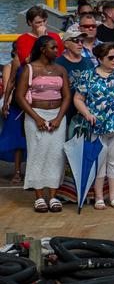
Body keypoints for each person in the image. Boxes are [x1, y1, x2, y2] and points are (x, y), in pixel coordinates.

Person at [72, 42, 114, 210]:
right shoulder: (88, 76)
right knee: (99, 162)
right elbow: (78, 99)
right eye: (110, 57)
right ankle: (99, 197)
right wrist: (87, 114)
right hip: (97, 126)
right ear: (100, 58)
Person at [15, 36, 70, 213]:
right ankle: (39, 196)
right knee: (37, 154)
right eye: (53, 47)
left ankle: (53, 195)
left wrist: (59, 118)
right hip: (35, 115)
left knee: (56, 155)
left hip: (57, 116)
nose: (57, 50)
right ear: (42, 49)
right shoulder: (30, 69)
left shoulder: (60, 69)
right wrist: (37, 118)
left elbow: (67, 96)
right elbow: (20, 96)